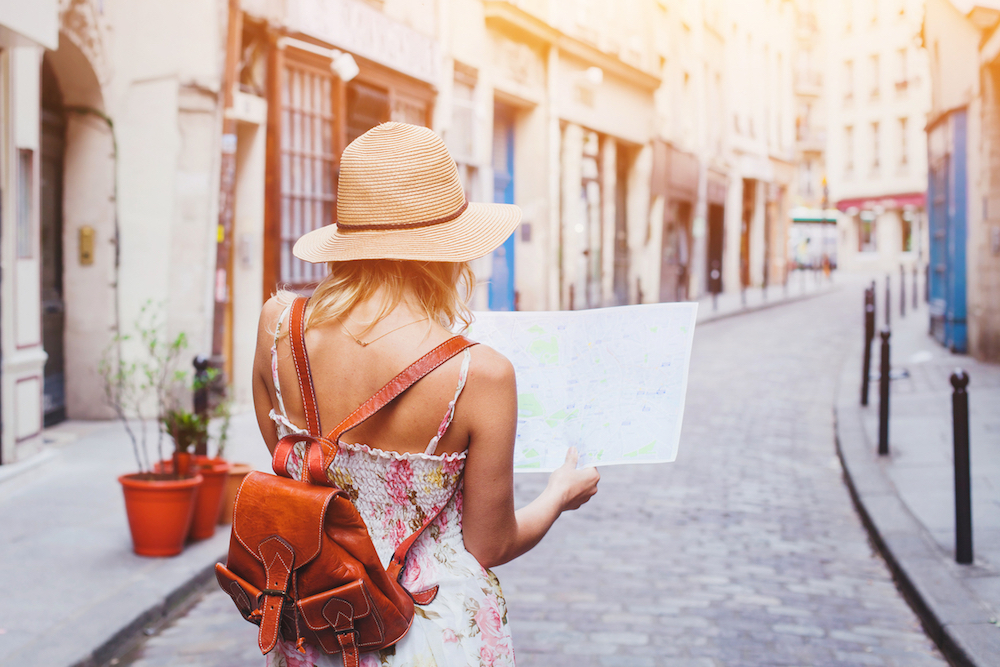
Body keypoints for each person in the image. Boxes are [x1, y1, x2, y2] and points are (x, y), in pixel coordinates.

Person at [252, 122, 600, 667]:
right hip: (433, 634)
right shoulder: (480, 374)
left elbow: (294, 466)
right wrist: (558, 495)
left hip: (317, 624)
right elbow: (490, 545)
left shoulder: (278, 326)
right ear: (448, 250)